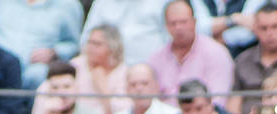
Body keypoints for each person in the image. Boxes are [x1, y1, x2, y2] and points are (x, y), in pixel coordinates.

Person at [0, 0, 84, 90]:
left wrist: (54, 52)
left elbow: (74, 45)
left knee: (39, 75)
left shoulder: (68, 5)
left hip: (35, 72)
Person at [82, 0, 216, 66]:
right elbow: (85, 41)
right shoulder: (103, 2)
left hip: (157, 72)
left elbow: (199, 27)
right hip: (111, 71)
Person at [149, 0, 234, 103]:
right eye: (173, 23)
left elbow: (218, 100)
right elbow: (151, 101)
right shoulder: (156, 60)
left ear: (194, 22)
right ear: (166, 26)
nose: (178, 28)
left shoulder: (216, 53)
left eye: (183, 22)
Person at [72, 24, 130, 114]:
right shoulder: (76, 65)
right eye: (89, 42)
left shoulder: (124, 73)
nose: (90, 48)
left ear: (112, 48)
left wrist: (102, 87)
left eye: (97, 44)